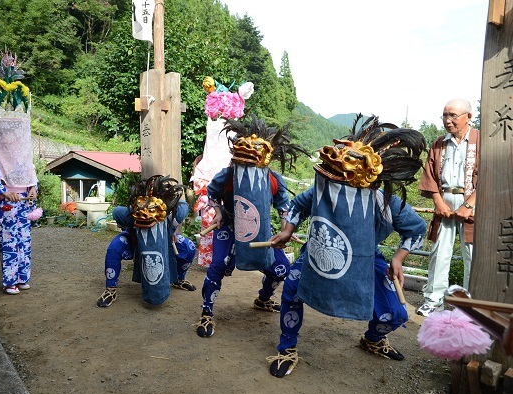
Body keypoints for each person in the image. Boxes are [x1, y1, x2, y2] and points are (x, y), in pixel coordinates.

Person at [266, 115, 427, 377]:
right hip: (316, 252)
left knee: (396, 313)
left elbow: (416, 228)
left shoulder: (384, 200)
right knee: (293, 289)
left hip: (366, 258)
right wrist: (287, 230)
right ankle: (287, 347)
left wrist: (398, 258)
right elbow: (299, 205)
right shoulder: (323, 186)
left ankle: (373, 339)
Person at [196, 116, 309, 338]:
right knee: (218, 264)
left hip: (259, 231)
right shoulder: (227, 175)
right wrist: (217, 212)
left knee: (280, 270)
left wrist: (286, 230)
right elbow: (212, 194)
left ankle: (263, 298)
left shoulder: (274, 179)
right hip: (228, 224)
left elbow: (283, 207)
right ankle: (207, 311)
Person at [416, 98, 479, 317]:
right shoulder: (439, 142)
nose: (448, 120)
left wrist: (469, 204)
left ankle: (470, 305)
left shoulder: (481, 141)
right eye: (445, 115)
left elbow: (491, 176)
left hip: (472, 203)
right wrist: (438, 201)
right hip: (445, 201)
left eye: (453, 115)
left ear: (468, 117)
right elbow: (430, 174)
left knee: (472, 254)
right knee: (439, 252)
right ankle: (433, 299)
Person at [96, 216, 197, 307]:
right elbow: (118, 213)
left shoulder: (167, 200)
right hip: (135, 235)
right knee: (114, 249)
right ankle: (111, 288)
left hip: (164, 234)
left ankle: (179, 279)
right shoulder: (137, 200)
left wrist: (172, 229)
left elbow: (180, 209)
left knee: (189, 247)